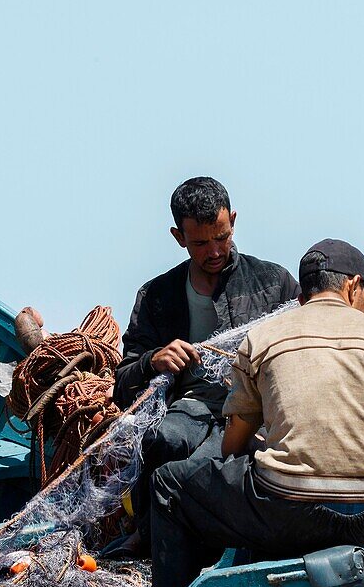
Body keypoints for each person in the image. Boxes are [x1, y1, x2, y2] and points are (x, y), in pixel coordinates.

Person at [149, 238, 364, 587]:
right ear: (353, 286)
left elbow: (232, 446)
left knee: (167, 485)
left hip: (286, 509)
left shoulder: (264, 337)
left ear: (302, 298)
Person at [109, 177, 299, 556]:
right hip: (191, 408)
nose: (214, 251)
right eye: (200, 243)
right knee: (162, 440)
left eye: (222, 237)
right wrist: (152, 360)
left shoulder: (274, 283)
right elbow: (122, 385)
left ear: (233, 221)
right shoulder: (156, 296)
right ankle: (149, 534)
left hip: (254, 410)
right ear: (178, 237)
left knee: (213, 462)